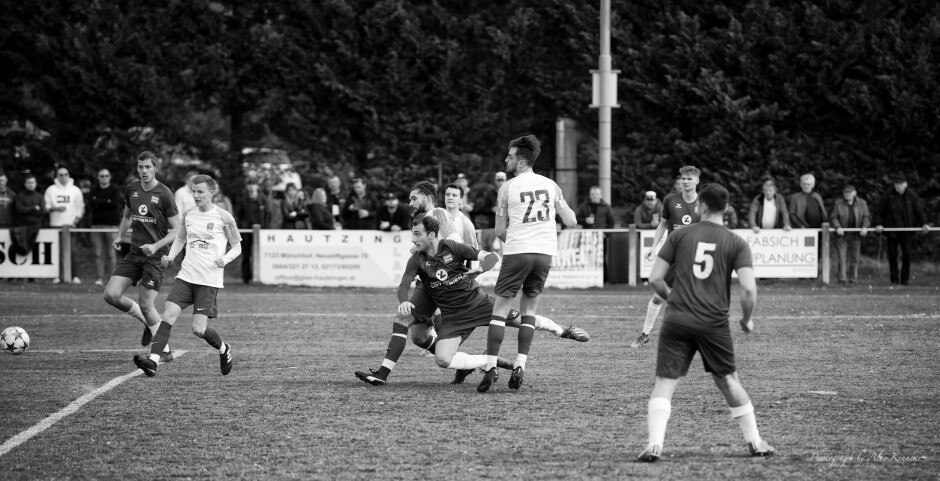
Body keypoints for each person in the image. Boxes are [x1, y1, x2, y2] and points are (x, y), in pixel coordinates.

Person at [355, 181, 587, 387]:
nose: (410, 202)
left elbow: (457, 246)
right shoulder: (420, 224)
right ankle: (466, 363)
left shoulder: (439, 216)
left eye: (414, 198)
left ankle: (560, 330)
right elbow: (412, 273)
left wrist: (460, 267)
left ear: (427, 197)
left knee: (409, 322)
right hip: (434, 283)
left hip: (451, 286)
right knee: (419, 336)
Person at [637, 183, 774, 462]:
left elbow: (655, 279)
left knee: (665, 383)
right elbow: (748, 289)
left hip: (678, 319)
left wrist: (672, 297)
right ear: (726, 209)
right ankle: (755, 441)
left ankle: (654, 444)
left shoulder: (681, 236)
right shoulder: (736, 242)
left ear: (702, 206)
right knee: (728, 381)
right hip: (713, 323)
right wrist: (747, 320)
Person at [478, 134, 578, 393]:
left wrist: (513, 239)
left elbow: (500, 231)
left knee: (499, 311)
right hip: (544, 254)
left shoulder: (507, 188)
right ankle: (521, 364)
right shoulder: (551, 185)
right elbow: (571, 221)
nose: (506, 160)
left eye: (510, 157)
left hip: (518, 251)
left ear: (521, 162)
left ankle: (490, 368)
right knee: (529, 312)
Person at [133, 174, 241, 377]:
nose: (196, 195)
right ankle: (153, 361)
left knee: (198, 329)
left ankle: (224, 349)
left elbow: (237, 247)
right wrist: (171, 256)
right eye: (194, 191)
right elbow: (180, 239)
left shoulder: (224, 217)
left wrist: (224, 260)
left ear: (212, 192)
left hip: (208, 281)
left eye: (200, 191)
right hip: (186, 276)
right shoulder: (189, 214)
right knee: (168, 315)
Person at [102, 151, 180, 355]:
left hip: (155, 257)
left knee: (147, 303)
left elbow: (177, 229)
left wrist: (155, 246)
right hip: (135, 253)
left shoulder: (164, 193)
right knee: (111, 294)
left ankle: (165, 352)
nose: (144, 171)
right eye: (140, 167)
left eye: (148, 167)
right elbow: (127, 216)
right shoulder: (132, 188)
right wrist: (120, 236)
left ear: (155, 168)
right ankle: (147, 322)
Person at [631, 166, 702, 349]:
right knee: (657, 296)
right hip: (673, 255)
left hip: (694, 257)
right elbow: (662, 225)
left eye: (689, 178)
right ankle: (645, 334)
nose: (685, 181)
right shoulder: (671, 200)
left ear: (696, 181)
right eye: (683, 178)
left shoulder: (703, 204)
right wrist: (653, 247)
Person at [874, 173, 929, 285]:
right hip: (892, 231)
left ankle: (905, 279)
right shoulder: (888, 195)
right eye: (896, 184)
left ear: (905, 184)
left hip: (906, 231)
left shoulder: (911, 196)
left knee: (907, 255)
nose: (898, 186)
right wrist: (878, 224)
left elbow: (918, 211)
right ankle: (894, 280)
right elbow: (879, 211)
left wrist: (924, 223)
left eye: (900, 184)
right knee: (892, 255)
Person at [45, 167, 85, 284]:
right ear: (57, 176)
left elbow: (80, 208)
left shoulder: (75, 190)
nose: (63, 177)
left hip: (70, 225)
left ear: (69, 175)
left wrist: (75, 222)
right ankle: (57, 275)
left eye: (65, 174)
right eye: (60, 175)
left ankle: (75, 276)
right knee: (56, 251)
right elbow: (46, 207)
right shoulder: (51, 190)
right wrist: (55, 208)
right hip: (55, 225)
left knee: (72, 250)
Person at [88, 168, 125, 286]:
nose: (104, 178)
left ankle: (112, 278)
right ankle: (99, 278)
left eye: (106, 176)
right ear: (98, 177)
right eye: (102, 176)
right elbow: (91, 203)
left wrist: (99, 202)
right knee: (98, 253)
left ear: (110, 177)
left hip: (111, 225)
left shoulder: (115, 189)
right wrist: (106, 202)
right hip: (96, 225)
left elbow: (114, 203)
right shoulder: (93, 190)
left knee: (111, 253)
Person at [830, 185, 871, 284]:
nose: (847, 194)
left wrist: (865, 227)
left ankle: (853, 279)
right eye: (845, 192)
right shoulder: (838, 203)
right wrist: (837, 227)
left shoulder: (862, 203)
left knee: (855, 258)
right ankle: (842, 279)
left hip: (856, 235)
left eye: (849, 192)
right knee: (841, 257)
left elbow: (867, 217)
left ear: (855, 193)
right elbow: (833, 217)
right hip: (842, 235)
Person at [235, 183, 273, 283]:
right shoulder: (243, 200)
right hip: (246, 231)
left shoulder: (263, 200)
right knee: (246, 254)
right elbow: (238, 215)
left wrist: (266, 229)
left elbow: (268, 215)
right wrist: (241, 227)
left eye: (253, 189)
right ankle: (246, 278)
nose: (251, 191)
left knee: (262, 254)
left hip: (261, 231)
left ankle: (263, 276)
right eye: (249, 189)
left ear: (257, 189)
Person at [12, 174, 45, 258]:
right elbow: (19, 210)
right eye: (29, 182)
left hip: (36, 227)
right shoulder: (20, 196)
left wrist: (27, 210)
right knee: (21, 246)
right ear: (25, 184)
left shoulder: (40, 196)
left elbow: (42, 211)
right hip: (23, 227)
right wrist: (34, 208)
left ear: (36, 183)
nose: (31, 184)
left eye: (33, 182)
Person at [473, 171, 506, 250]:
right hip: (493, 226)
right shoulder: (490, 193)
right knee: (494, 249)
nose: (500, 182)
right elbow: (483, 209)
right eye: (498, 180)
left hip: (507, 225)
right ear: (495, 181)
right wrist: (492, 209)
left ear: (505, 181)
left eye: (502, 180)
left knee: (506, 249)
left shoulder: (509, 192)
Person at [443, 183, 478, 247]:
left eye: (454, 195)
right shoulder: (435, 217)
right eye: (447, 195)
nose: (450, 198)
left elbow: (473, 251)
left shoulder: (466, 223)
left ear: (461, 201)